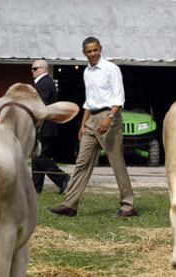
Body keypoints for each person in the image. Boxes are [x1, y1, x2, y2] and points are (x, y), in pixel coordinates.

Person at [48, 37, 138, 218]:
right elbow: (89, 101)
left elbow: (119, 98)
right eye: (89, 51)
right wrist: (83, 125)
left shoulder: (111, 69)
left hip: (109, 116)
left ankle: (128, 206)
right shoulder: (86, 72)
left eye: (95, 50)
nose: (93, 54)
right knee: (82, 162)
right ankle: (69, 205)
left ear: (100, 49)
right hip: (91, 120)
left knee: (116, 162)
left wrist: (110, 117)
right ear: (84, 53)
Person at [31, 59, 70, 194]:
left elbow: (40, 106)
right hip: (45, 126)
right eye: (32, 69)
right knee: (37, 158)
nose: (32, 71)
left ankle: (63, 178)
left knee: (41, 157)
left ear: (44, 69)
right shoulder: (44, 83)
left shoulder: (44, 84)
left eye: (35, 69)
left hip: (44, 126)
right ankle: (36, 188)